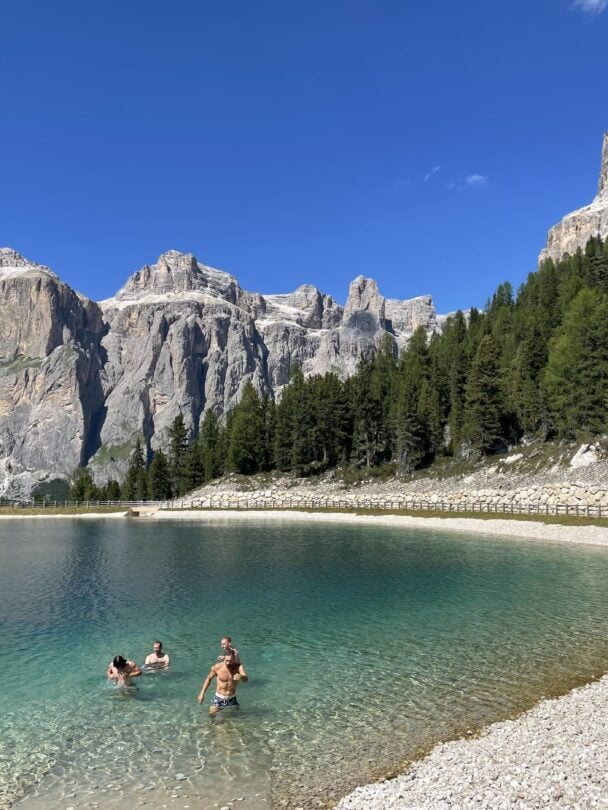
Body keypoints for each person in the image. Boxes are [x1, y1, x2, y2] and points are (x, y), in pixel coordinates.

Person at [197, 649, 248, 715]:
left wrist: (241, 677)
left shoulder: (238, 667)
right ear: (224, 658)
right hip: (219, 698)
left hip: (232, 698)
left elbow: (246, 680)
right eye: (226, 660)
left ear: (234, 659)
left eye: (230, 660)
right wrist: (202, 692)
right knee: (211, 715)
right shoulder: (218, 667)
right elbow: (209, 678)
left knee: (238, 716)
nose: (228, 663)